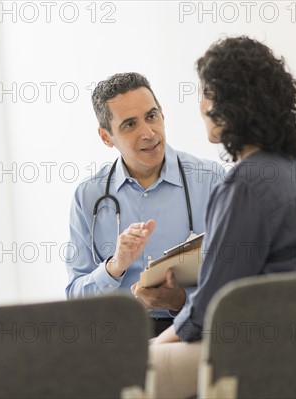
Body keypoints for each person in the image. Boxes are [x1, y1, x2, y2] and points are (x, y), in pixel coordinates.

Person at [150, 36, 296, 398]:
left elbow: (211, 309)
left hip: (259, 358)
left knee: (120, 371)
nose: (201, 106)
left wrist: (159, 342)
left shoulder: (246, 185)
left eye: (205, 94)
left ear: (228, 106)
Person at [64, 72, 222, 336]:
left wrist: (180, 300)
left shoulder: (212, 180)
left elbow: (235, 281)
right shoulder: (88, 197)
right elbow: (76, 298)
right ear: (106, 137)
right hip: (118, 336)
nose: (148, 133)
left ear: (162, 114)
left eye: (151, 116)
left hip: (193, 329)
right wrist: (114, 267)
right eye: (129, 125)